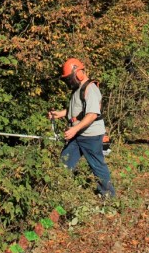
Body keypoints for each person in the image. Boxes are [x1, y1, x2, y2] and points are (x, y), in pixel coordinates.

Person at [48, 58, 116, 198]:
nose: (69, 82)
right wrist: (59, 114)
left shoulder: (90, 89)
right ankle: (57, 192)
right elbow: (77, 111)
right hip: (79, 134)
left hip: (90, 135)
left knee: (97, 165)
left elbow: (91, 115)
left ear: (78, 73)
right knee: (65, 161)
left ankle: (109, 196)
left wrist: (74, 129)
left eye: (69, 78)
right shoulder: (78, 89)